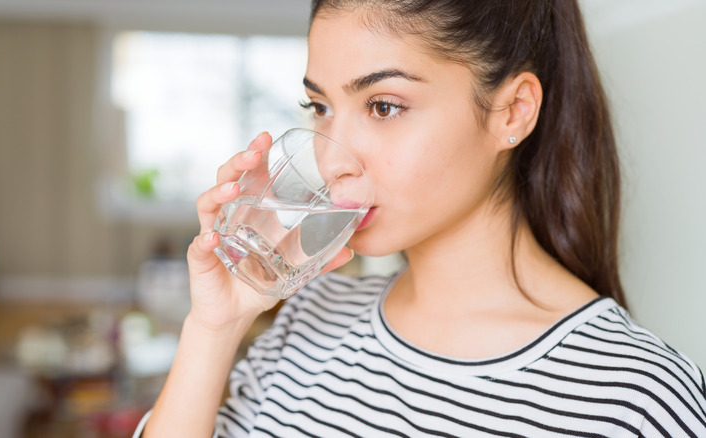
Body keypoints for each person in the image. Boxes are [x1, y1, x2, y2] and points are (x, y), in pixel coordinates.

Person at [136, 0, 706, 436]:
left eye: (384, 106)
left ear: (513, 111)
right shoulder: (310, 317)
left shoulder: (634, 397)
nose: (334, 161)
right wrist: (214, 328)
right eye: (321, 108)